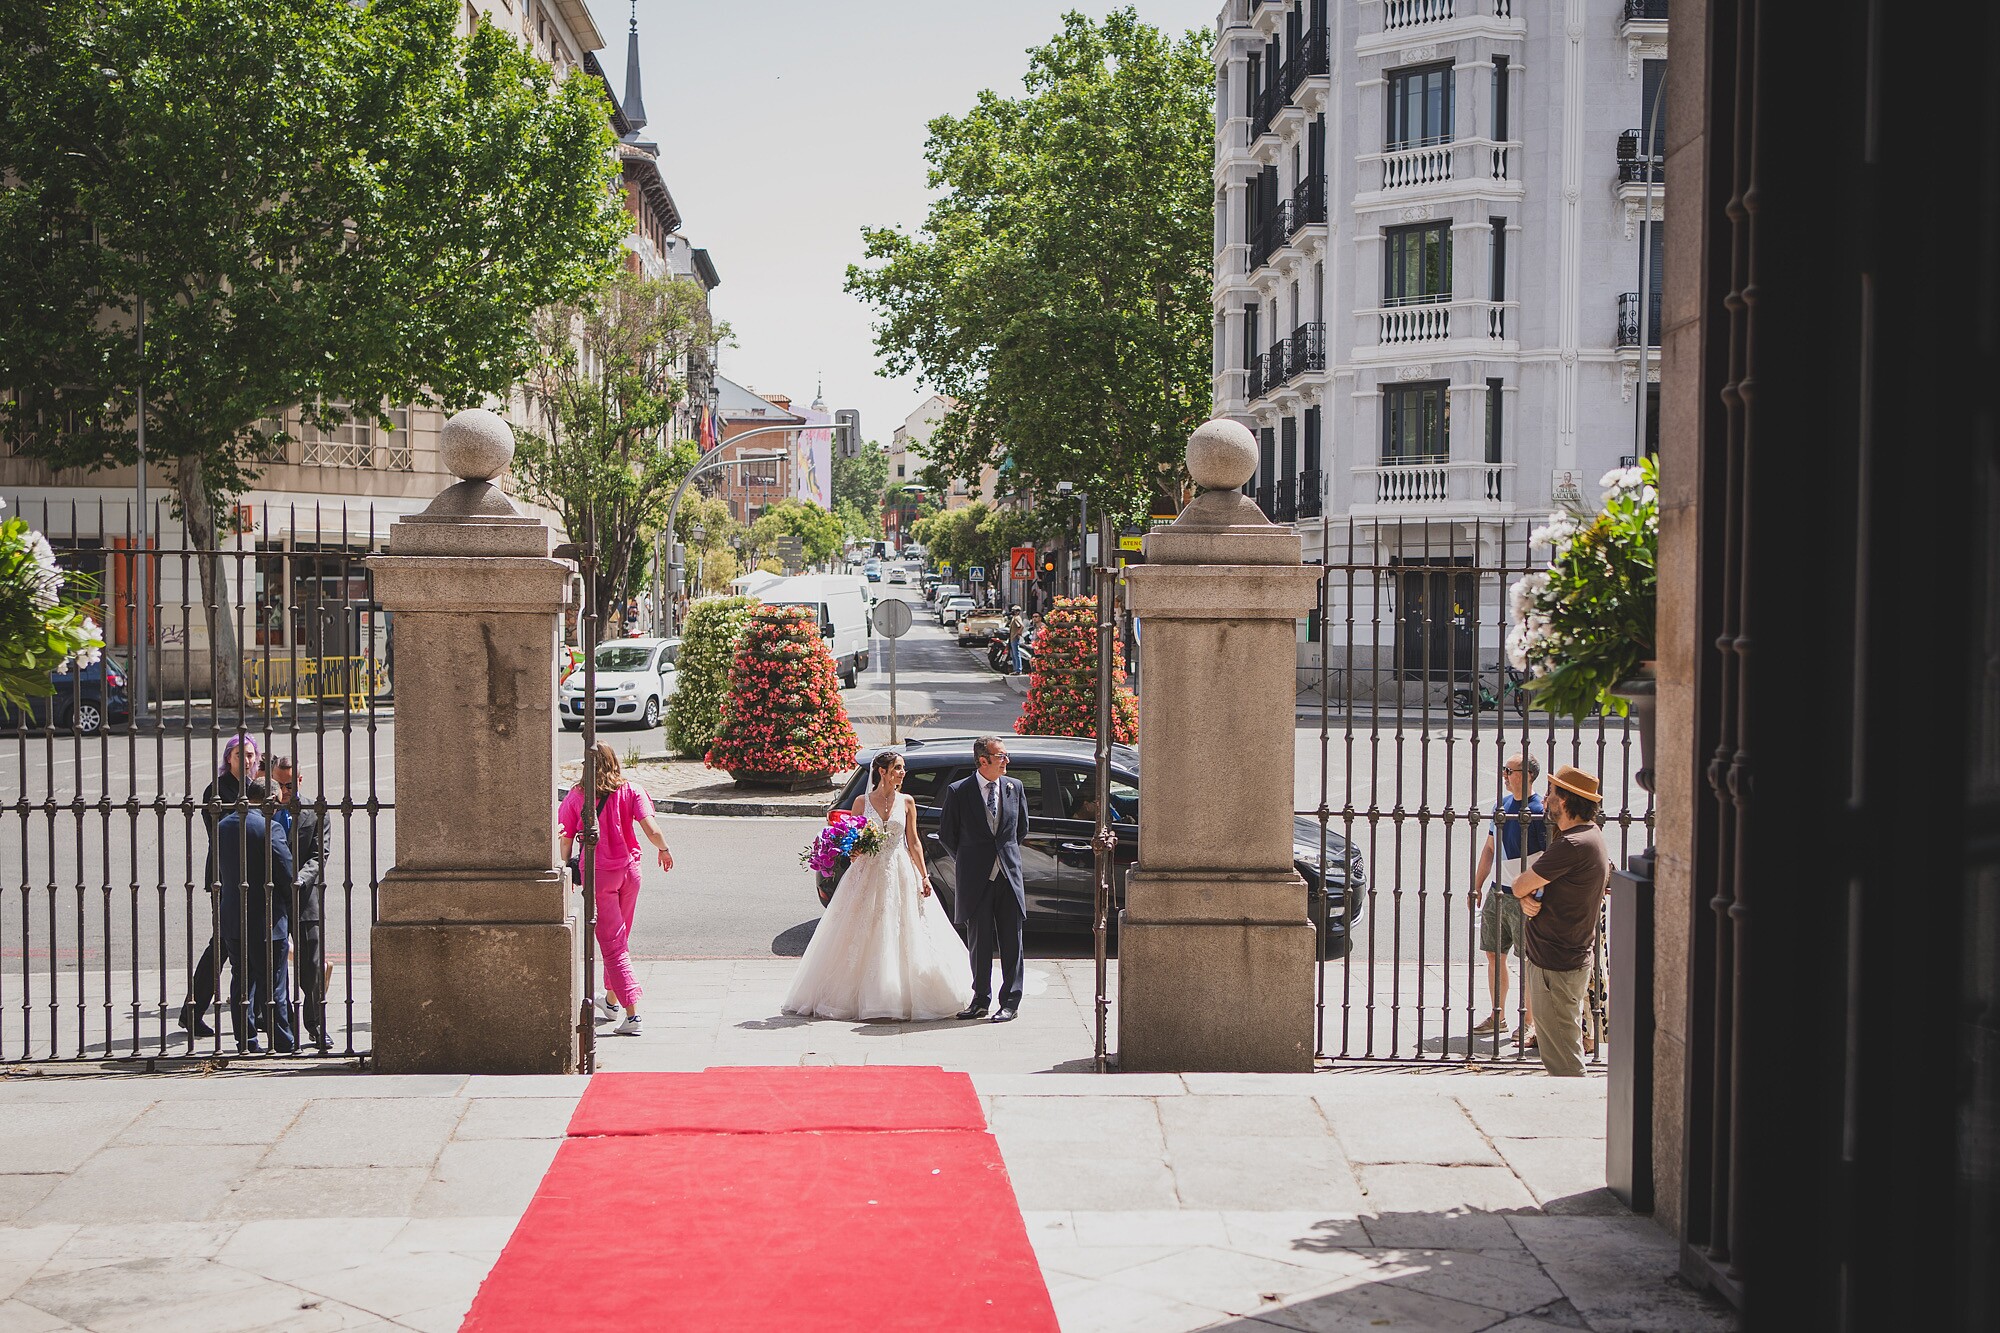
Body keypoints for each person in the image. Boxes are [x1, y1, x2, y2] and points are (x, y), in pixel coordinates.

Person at [782, 750, 974, 1021]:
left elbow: (914, 842)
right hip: (867, 871)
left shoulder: (907, 802)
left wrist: (923, 875)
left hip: (899, 870)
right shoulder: (862, 802)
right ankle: (857, 996)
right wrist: (853, 851)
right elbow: (851, 838)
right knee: (860, 929)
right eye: (897, 768)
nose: (902, 773)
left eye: (903, 768)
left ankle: (899, 993)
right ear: (882, 771)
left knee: (902, 928)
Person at [558, 744, 672, 1037]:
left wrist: (565, 867)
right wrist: (664, 849)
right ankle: (610, 1003)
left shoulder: (576, 796)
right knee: (620, 938)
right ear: (614, 763)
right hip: (630, 872)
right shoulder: (632, 790)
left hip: (599, 875)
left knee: (612, 944)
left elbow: (565, 839)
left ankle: (632, 1015)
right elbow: (651, 828)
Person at [1512, 765, 1613, 1077]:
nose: (1546, 798)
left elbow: (1519, 884)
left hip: (1555, 964)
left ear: (1566, 801)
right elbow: (1536, 889)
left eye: (1552, 793)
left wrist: (1524, 893)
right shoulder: (1589, 837)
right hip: (1563, 959)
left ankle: (1571, 1109)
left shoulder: (1572, 845)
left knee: (1564, 1059)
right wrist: (1530, 897)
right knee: (1561, 1048)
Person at [938, 736, 1030, 1022]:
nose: (1007, 761)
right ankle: (980, 1000)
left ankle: (1010, 1003)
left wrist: (1002, 858)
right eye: (1001, 756)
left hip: (1008, 876)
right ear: (983, 761)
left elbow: (1021, 830)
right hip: (976, 879)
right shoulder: (959, 791)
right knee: (979, 943)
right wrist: (972, 861)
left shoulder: (1015, 788)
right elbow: (947, 835)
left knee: (1012, 942)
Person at [177, 733, 259, 1040]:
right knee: (223, 945)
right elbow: (222, 833)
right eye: (241, 755)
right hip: (224, 878)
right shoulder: (217, 790)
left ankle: (200, 1012)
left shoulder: (255, 788)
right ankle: (193, 1012)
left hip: (254, 878)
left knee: (239, 946)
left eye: (251, 755)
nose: (247, 760)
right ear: (229, 758)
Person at [1470, 754, 1548, 1045]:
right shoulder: (1501, 806)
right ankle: (1497, 1016)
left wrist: (1538, 895)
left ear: (1527, 775)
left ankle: (1527, 1021)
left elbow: (1546, 861)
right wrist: (1477, 886)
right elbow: (1490, 849)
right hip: (1498, 891)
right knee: (1493, 953)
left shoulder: (1539, 811)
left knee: (1528, 959)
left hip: (1524, 894)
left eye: (1509, 770)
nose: (1504, 774)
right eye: (1503, 769)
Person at [215, 777, 295, 1053]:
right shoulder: (270, 828)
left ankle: (246, 1041)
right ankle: (282, 1040)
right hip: (267, 920)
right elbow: (286, 875)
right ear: (272, 800)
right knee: (273, 984)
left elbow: (213, 871)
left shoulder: (223, 825)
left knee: (241, 981)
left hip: (232, 916)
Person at [269, 753, 333, 1052]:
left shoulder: (315, 810)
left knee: (311, 965)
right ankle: (282, 1028)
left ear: (300, 780)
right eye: (280, 785)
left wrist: (300, 879)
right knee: (274, 966)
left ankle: (317, 1026)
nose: (284, 792)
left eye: (290, 786)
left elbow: (319, 855)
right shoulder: (264, 809)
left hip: (305, 898)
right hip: (274, 899)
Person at [1004, 606, 1026, 675]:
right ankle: (1015, 669)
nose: (1013, 612)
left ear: (1018, 612)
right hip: (1011, 638)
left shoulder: (1017, 618)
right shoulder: (1014, 618)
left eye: (1015, 611)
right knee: (1013, 654)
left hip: (1014, 638)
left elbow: (1022, 626)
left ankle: (1018, 670)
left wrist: (1017, 634)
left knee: (1016, 654)